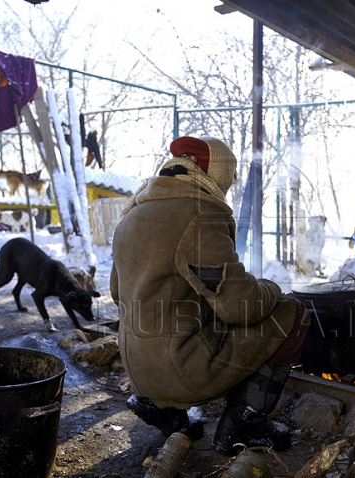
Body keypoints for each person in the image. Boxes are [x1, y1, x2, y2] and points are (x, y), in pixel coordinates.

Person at [110, 135, 311, 455]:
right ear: (217, 175)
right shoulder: (199, 212)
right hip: (180, 371)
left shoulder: (133, 213)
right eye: (229, 179)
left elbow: (117, 292)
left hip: (138, 373)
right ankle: (245, 423)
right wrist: (271, 287)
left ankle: (163, 409)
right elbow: (239, 308)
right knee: (293, 311)